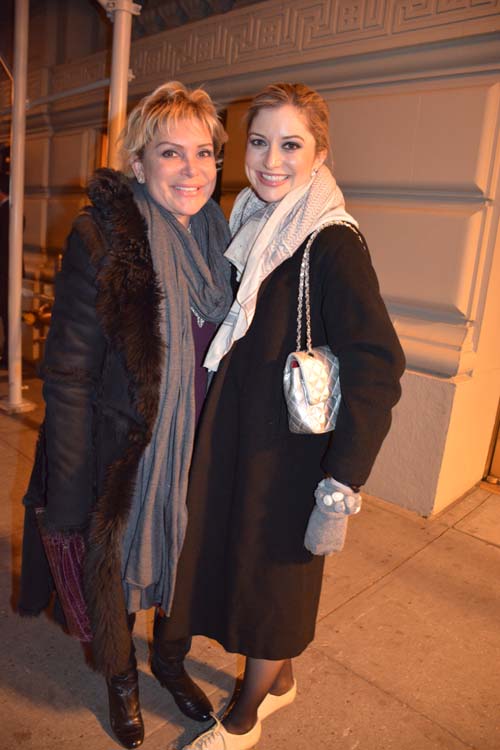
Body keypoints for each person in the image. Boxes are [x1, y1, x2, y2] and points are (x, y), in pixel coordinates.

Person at [163, 82, 406, 750]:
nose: (271, 159)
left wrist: (342, 480)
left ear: (320, 152)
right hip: (243, 436)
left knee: (271, 582)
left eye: (291, 144)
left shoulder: (330, 241)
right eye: (260, 141)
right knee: (255, 573)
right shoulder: (253, 222)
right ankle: (283, 675)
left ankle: (243, 718)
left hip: (292, 456)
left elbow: (378, 362)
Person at [18, 81, 234, 749]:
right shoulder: (105, 238)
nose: (192, 171)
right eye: (172, 153)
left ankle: (168, 660)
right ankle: (122, 677)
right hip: (125, 445)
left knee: (187, 559)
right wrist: (75, 488)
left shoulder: (219, 235)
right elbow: (70, 372)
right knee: (117, 569)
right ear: (138, 162)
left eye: (204, 153)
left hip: (200, 441)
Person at [0, 172, 9, 368]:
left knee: (7, 315)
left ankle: (8, 357)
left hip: (5, 273)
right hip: (6, 272)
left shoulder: (7, 211)